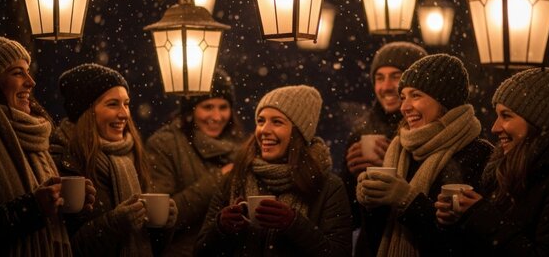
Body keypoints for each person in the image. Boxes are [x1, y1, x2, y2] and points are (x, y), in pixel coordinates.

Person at [434, 67, 549, 256]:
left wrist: (481, 216)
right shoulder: (507, 169)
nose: (494, 127)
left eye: (506, 115)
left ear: (538, 121)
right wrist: (457, 221)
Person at [0, 33, 94, 255]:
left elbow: (51, 230)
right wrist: (32, 208)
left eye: (28, 71)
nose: (31, 82)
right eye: (18, 73)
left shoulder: (33, 137)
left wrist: (73, 211)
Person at [356, 53, 494, 256]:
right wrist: (369, 202)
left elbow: (466, 242)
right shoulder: (401, 149)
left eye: (416, 95)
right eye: (403, 97)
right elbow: (375, 238)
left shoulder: (479, 155)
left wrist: (408, 201)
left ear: (444, 100)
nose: (404, 107)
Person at [195, 85, 353, 256]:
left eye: (277, 122)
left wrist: (294, 224)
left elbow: (339, 252)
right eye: (261, 121)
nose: (264, 130)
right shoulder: (235, 178)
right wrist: (221, 227)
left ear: (299, 133)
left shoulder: (328, 186)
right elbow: (200, 251)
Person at [50, 63, 177, 256]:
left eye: (126, 103)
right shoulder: (64, 161)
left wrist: (163, 226)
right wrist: (115, 223)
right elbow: (64, 246)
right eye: (112, 104)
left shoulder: (132, 156)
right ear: (86, 112)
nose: (124, 113)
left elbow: (150, 247)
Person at [145, 69, 246, 256]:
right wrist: (218, 179)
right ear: (190, 110)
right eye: (208, 107)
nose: (216, 116)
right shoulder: (165, 145)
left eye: (223, 107)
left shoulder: (238, 147)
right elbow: (160, 216)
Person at [340, 41, 427, 257]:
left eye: (396, 76)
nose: (386, 86)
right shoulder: (362, 133)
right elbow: (349, 218)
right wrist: (352, 177)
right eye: (379, 77)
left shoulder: (430, 132)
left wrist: (394, 165)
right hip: (372, 247)